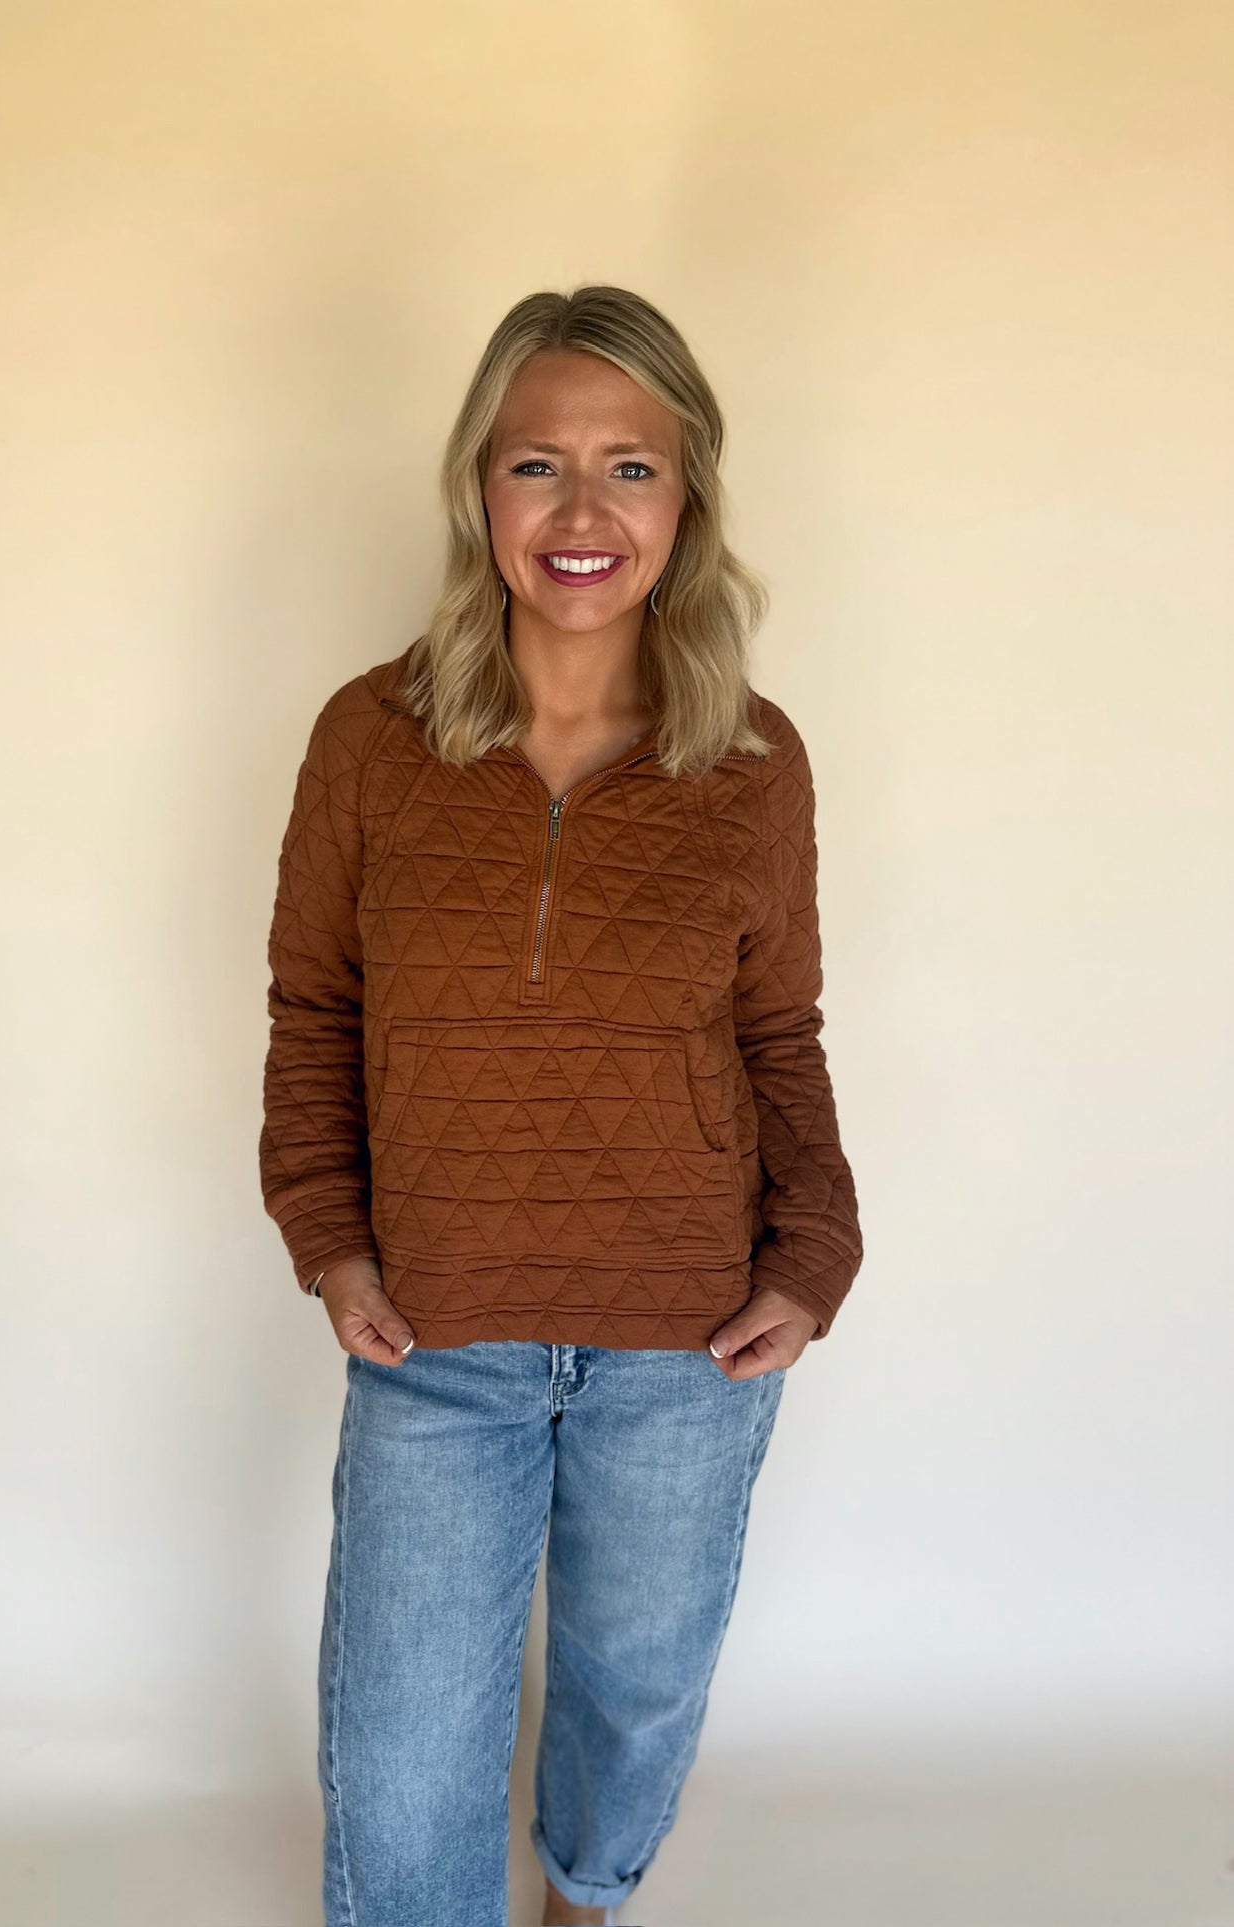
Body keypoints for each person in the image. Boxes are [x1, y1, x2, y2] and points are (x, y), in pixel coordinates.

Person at [260, 285, 863, 1927]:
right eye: (538, 465)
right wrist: (331, 1243)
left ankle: (584, 1895)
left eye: (629, 468)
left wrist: (809, 1254)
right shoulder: (371, 740)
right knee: (398, 1758)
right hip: (435, 1339)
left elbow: (778, 1027)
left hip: (688, 1342)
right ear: (480, 490)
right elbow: (317, 1012)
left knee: (634, 1694)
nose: (583, 513)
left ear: (687, 500)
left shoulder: (749, 758)